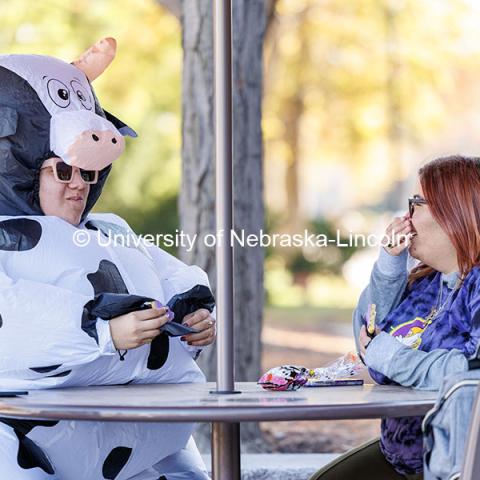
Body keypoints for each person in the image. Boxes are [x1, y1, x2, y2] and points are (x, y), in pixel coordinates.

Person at [0, 40, 215, 479]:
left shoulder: (111, 229)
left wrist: (199, 311)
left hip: (140, 436)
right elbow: (12, 317)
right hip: (31, 443)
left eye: (89, 173)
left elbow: (172, 275)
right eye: (62, 170)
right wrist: (99, 331)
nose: (78, 185)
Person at [309, 155, 480, 480]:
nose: (406, 216)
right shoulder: (428, 281)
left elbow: (471, 371)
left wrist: (389, 355)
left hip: (458, 458)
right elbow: (369, 338)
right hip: (405, 452)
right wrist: (390, 263)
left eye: (417, 203)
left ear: (453, 212)